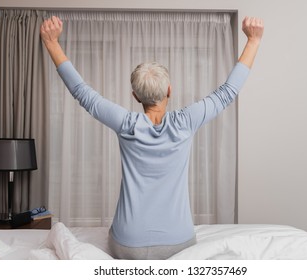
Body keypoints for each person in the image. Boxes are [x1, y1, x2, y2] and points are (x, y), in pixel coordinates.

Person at [40, 15, 264, 260]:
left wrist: (52, 43)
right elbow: (227, 93)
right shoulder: (185, 122)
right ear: (169, 90)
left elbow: (83, 93)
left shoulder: (126, 123)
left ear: (135, 96)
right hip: (178, 244)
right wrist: (253, 40)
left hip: (127, 245)